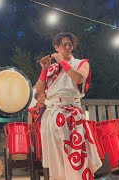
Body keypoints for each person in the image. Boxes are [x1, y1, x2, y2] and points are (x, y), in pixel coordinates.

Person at [36, 32, 102, 180]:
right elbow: (40, 91)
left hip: (71, 113)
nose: (67, 47)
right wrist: (44, 69)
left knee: (75, 153)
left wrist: (62, 62)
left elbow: (79, 78)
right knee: (57, 157)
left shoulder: (81, 62)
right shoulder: (51, 68)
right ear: (56, 47)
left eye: (69, 44)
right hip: (53, 114)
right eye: (63, 44)